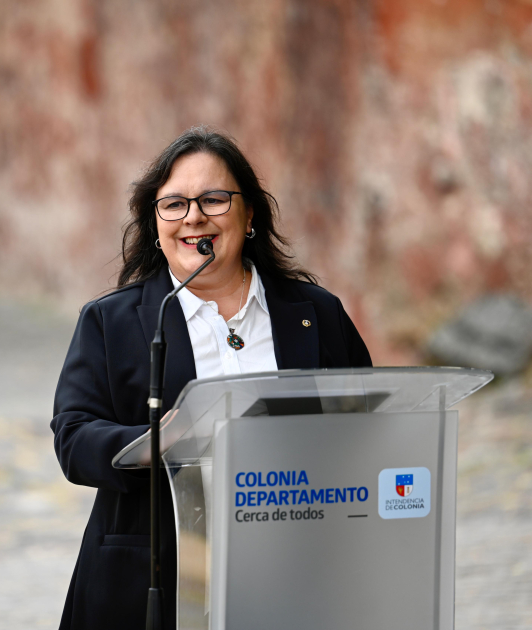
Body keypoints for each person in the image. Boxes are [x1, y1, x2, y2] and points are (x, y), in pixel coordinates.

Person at [51, 127, 371, 629]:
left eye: (214, 199)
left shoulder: (316, 313)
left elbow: (365, 419)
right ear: (155, 225)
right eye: (173, 204)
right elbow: (73, 439)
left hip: (294, 562)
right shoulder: (112, 323)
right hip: (157, 571)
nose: (194, 216)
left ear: (249, 217)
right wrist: (158, 441)